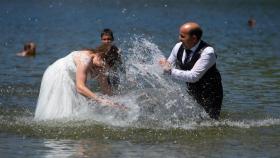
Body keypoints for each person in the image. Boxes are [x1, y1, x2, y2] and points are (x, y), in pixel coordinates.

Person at [34, 44, 124, 120]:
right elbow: (80, 88)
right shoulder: (85, 58)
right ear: (99, 54)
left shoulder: (102, 66)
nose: (103, 67)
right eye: (103, 62)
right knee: (60, 111)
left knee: (77, 111)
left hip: (73, 80)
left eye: (107, 65)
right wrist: (101, 100)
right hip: (58, 75)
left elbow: (105, 88)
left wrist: (116, 103)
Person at [159, 22, 223, 119]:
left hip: (211, 93)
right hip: (192, 90)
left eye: (182, 36)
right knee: (195, 119)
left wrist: (169, 71)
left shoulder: (208, 52)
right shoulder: (178, 47)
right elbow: (168, 66)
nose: (179, 38)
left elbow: (193, 77)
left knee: (210, 122)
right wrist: (153, 67)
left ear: (194, 38)